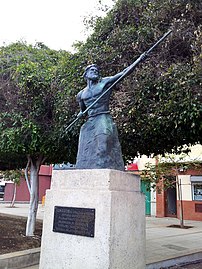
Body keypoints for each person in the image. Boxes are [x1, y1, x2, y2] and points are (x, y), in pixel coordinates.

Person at [75, 64, 129, 171]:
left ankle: (102, 165)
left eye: (96, 70)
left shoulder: (104, 83)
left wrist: (140, 59)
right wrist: (81, 113)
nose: (95, 71)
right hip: (91, 120)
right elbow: (83, 110)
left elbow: (123, 73)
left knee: (103, 145)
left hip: (102, 116)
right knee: (86, 149)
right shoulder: (81, 94)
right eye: (92, 70)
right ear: (86, 74)